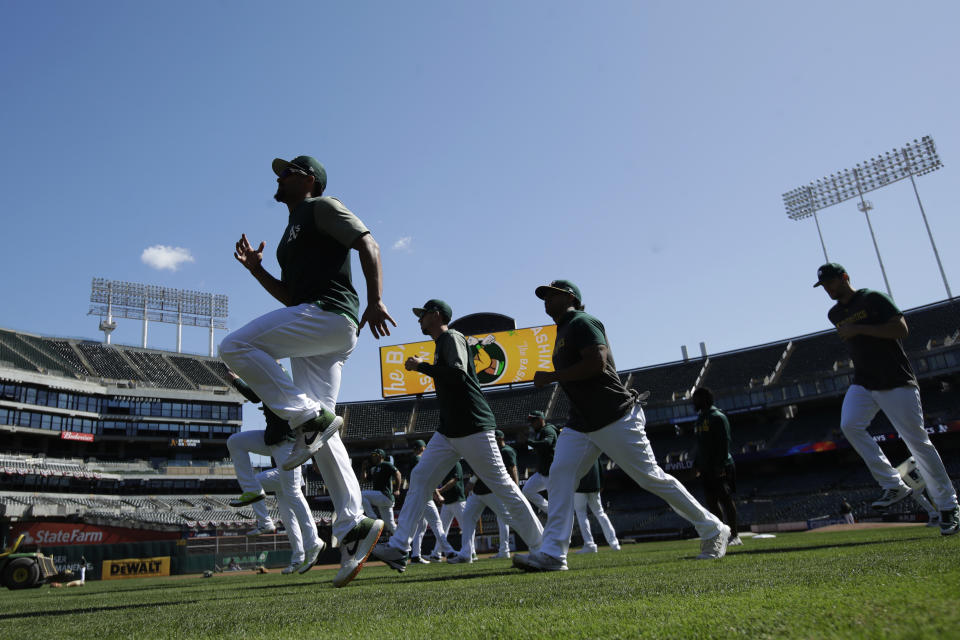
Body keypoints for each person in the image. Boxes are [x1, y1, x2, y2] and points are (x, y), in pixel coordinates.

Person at [219, 155, 395, 587]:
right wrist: (258, 270)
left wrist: (375, 299)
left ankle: (304, 417)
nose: (279, 177)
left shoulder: (321, 206)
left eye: (288, 171)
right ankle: (353, 525)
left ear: (309, 179)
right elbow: (291, 299)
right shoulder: (290, 233)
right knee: (324, 436)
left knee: (234, 345)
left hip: (331, 316)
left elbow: (368, 242)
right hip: (314, 323)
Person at [513, 280, 730, 572]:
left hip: (614, 414)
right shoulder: (563, 329)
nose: (545, 301)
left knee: (650, 478)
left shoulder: (582, 321)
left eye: (551, 295)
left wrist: (552, 377)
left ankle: (714, 529)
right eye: (544, 297)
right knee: (561, 475)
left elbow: (597, 364)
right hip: (581, 422)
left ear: (570, 297)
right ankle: (552, 553)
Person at [371, 300, 543, 572]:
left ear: (437, 315)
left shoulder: (451, 337)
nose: (419, 320)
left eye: (423, 315)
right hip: (450, 429)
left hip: (473, 425)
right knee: (421, 477)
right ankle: (399, 547)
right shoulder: (442, 342)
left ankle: (542, 547)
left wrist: (421, 366)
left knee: (504, 487)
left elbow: (457, 374)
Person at [815, 263, 959, 535]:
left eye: (831, 283)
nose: (828, 289)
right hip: (864, 381)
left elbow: (900, 329)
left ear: (845, 277)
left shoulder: (873, 298)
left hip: (896, 380)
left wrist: (859, 328)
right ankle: (893, 484)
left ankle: (949, 506)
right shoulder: (834, 313)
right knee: (850, 425)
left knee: (918, 444)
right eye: (824, 286)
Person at [226, 374, 324, 575]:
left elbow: (255, 394)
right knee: (236, 441)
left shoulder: (278, 380)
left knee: (290, 493)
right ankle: (297, 557)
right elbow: (255, 395)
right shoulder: (269, 381)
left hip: (286, 445)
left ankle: (313, 541)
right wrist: (236, 379)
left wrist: (235, 378)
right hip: (274, 444)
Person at [450, 430, 517, 563]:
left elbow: (512, 469)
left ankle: (536, 543)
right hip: (478, 492)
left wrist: (516, 488)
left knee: (507, 518)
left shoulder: (504, 451)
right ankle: (466, 554)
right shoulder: (481, 449)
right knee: (468, 517)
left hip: (492, 490)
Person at [691, 387, 741, 546]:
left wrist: (720, 465)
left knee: (725, 500)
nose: (694, 402)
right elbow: (700, 444)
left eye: (696, 399)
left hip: (721, 466)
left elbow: (724, 442)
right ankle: (722, 533)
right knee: (711, 502)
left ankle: (735, 535)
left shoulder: (717, 417)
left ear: (705, 398)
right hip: (706, 468)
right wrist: (697, 464)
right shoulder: (699, 419)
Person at [409, 439, 456, 563]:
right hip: (424, 496)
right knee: (437, 524)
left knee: (421, 527)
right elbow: (427, 479)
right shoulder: (420, 460)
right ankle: (449, 552)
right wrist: (437, 494)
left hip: (417, 496)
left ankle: (415, 556)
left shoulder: (414, 460)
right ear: (423, 448)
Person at [572, 458, 621, 553]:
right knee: (600, 513)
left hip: (580, 485)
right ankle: (614, 544)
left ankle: (589, 544)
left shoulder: (575, 448)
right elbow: (600, 468)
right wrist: (600, 484)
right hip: (594, 484)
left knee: (581, 514)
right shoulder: (592, 445)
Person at [522, 411, 557, 515]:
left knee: (555, 501)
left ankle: (555, 517)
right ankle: (549, 511)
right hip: (543, 472)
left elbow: (547, 443)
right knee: (527, 490)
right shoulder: (539, 432)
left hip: (551, 473)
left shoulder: (548, 429)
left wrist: (530, 442)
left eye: (533, 421)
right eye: (530, 421)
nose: (531, 424)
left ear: (541, 420)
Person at [361, 449, 401, 532]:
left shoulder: (386, 464)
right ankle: (404, 542)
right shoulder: (373, 469)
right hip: (382, 499)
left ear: (381, 456)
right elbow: (364, 480)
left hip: (385, 495)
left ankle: (372, 518)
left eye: (375, 455)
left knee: (361, 494)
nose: (373, 457)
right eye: (372, 455)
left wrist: (397, 489)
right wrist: (364, 468)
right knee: (390, 525)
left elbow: (398, 474)